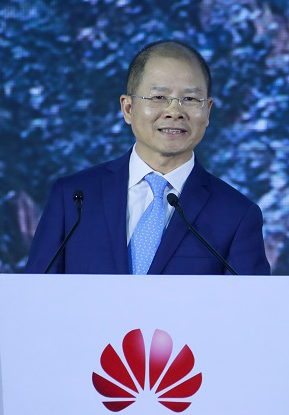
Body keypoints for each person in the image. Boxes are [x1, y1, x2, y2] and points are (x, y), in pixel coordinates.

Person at [24, 40, 270, 275]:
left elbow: (250, 303)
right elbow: (35, 293)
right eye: (159, 97)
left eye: (190, 99)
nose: (174, 112)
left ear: (207, 111)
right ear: (128, 108)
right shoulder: (74, 199)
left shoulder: (236, 215)